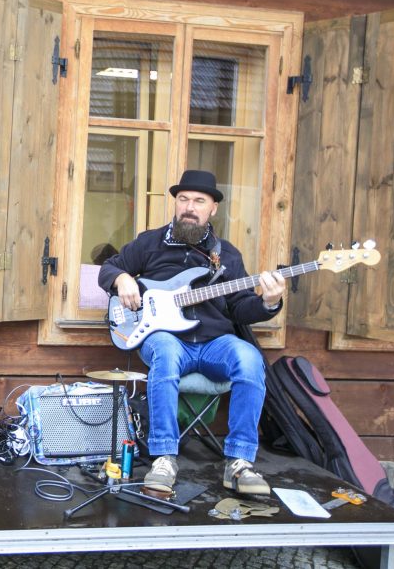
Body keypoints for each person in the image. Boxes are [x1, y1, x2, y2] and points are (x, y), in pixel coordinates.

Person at [98, 170, 285, 496]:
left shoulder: (226, 255)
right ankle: (164, 458)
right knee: (167, 353)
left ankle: (240, 463)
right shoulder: (150, 242)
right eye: (183, 199)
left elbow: (240, 308)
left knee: (249, 358)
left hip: (215, 343)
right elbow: (108, 267)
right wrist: (121, 279)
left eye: (199, 201)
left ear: (213, 208)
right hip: (165, 338)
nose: (189, 206)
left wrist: (269, 302)